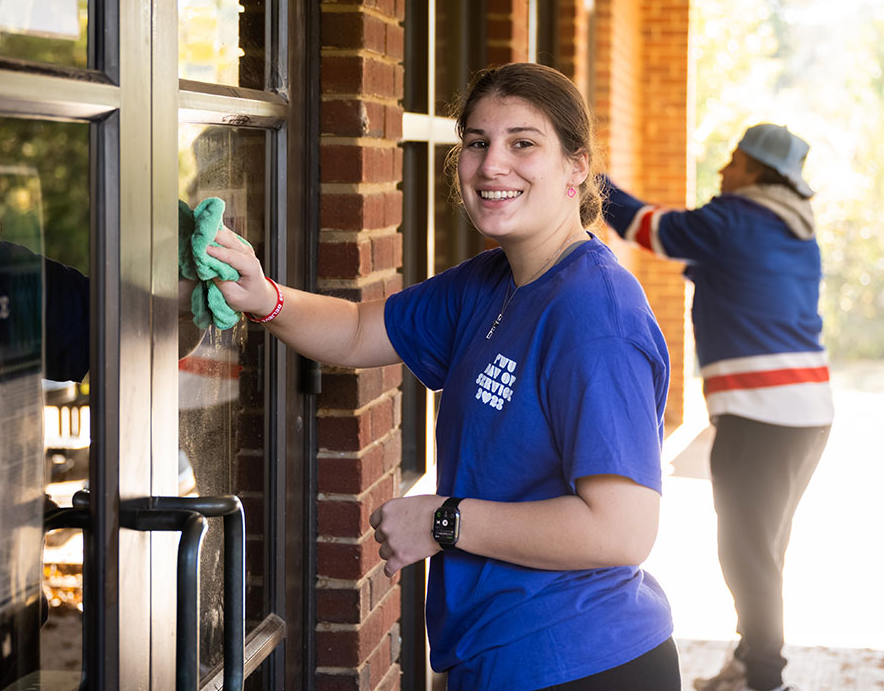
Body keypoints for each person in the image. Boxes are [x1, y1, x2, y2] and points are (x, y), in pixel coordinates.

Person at [209, 62, 679, 690]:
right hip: (495, 655)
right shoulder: (492, 281)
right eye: (478, 143)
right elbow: (355, 330)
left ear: (577, 168)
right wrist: (262, 295)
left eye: (523, 143)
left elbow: (621, 529)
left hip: (581, 659)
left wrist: (443, 521)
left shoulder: (596, 314)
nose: (492, 165)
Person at [599, 124, 833, 691]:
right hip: (809, 413)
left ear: (757, 169)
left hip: (762, 413)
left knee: (744, 549)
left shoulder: (734, 218)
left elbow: (646, 226)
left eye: (734, 159)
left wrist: (587, 176)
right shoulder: (796, 228)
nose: (724, 170)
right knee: (766, 544)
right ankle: (752, 661)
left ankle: (764, 680)